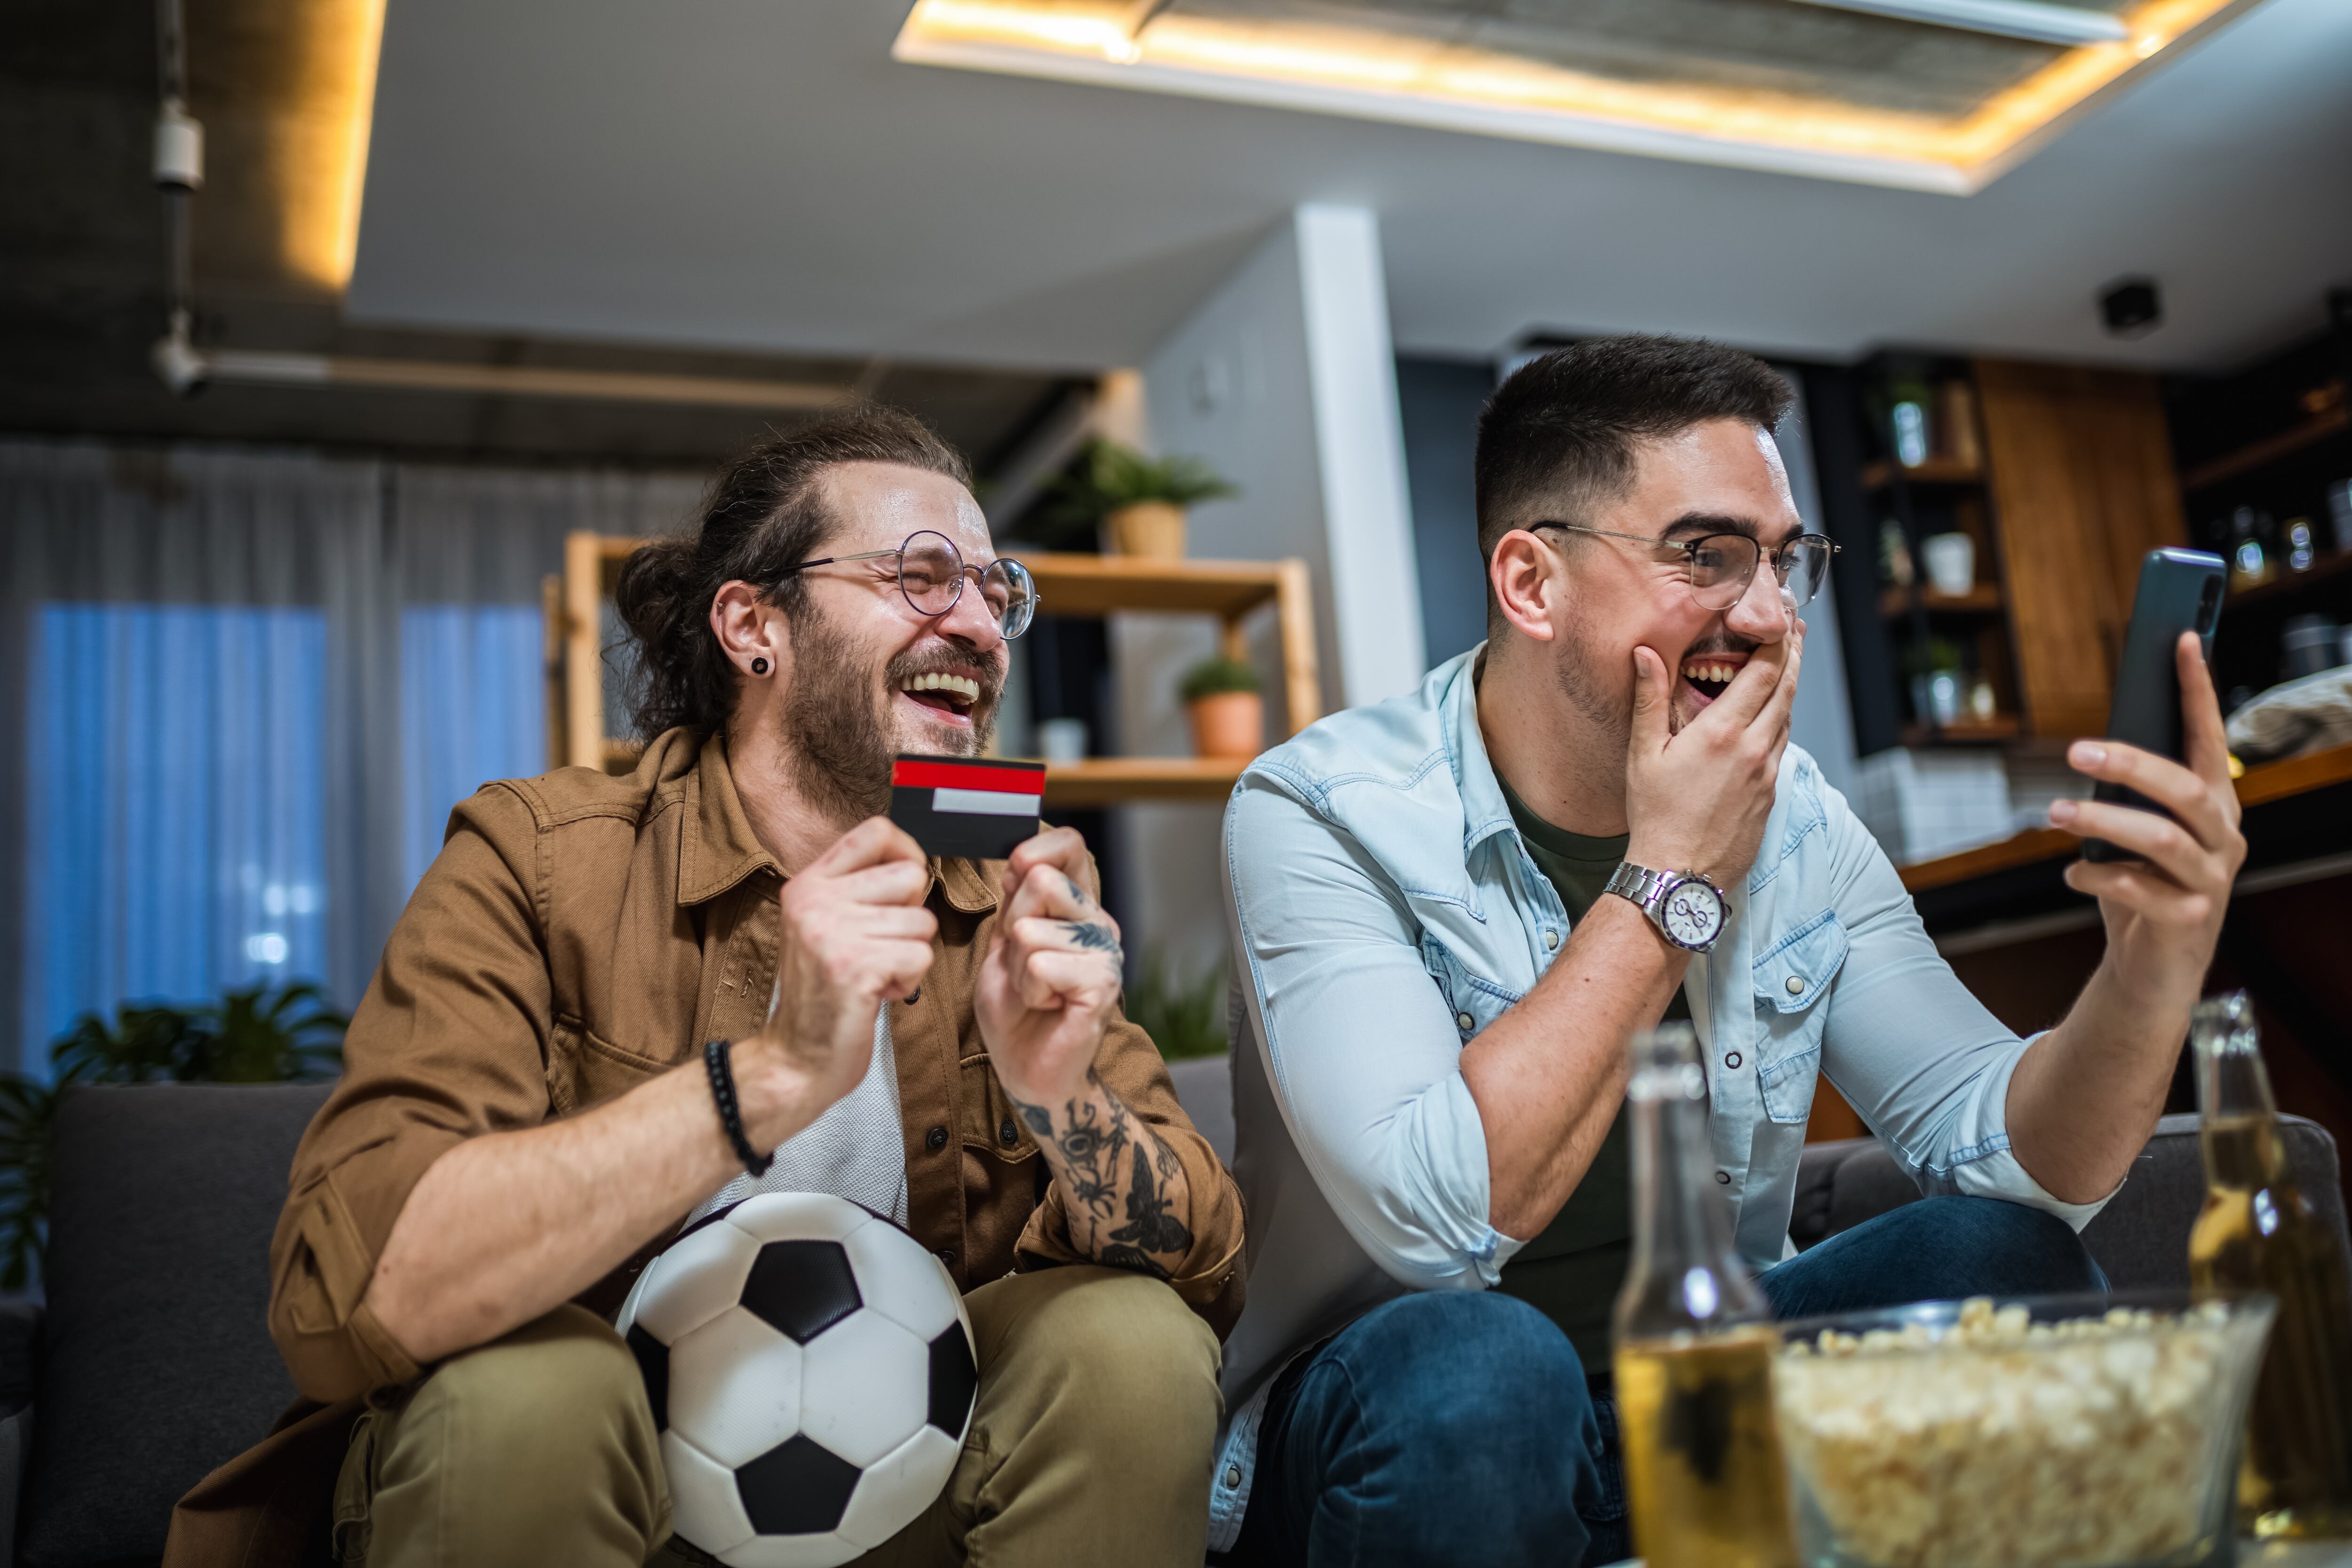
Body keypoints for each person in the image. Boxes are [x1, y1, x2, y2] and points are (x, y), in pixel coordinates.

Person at [1210, 337, 2245, 1567]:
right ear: (1532, 581)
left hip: (1701, 1379)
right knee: (1483, 1363)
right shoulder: (1322, 808)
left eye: (1784, 560)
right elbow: (1441, 1224)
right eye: (1705, 555)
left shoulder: (1797, 811)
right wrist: (1670, 879)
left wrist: (2151, 963)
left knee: (1999, 1253)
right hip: (1409, 1415)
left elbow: (2028, 1168)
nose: (1763, 614)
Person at [167, 408, 1245, 1568]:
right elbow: (347, 1295)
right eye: (924, 576)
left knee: (1128, 1342)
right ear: (752, 626)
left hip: (908, 1490)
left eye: (996, 590)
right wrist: (772, 1077)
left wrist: (1062, 1093)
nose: (981, 626)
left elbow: (1209, 1265)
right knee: (534, 1391)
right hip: (598, 1480)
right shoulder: (539, 855)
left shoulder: (1010, 877)